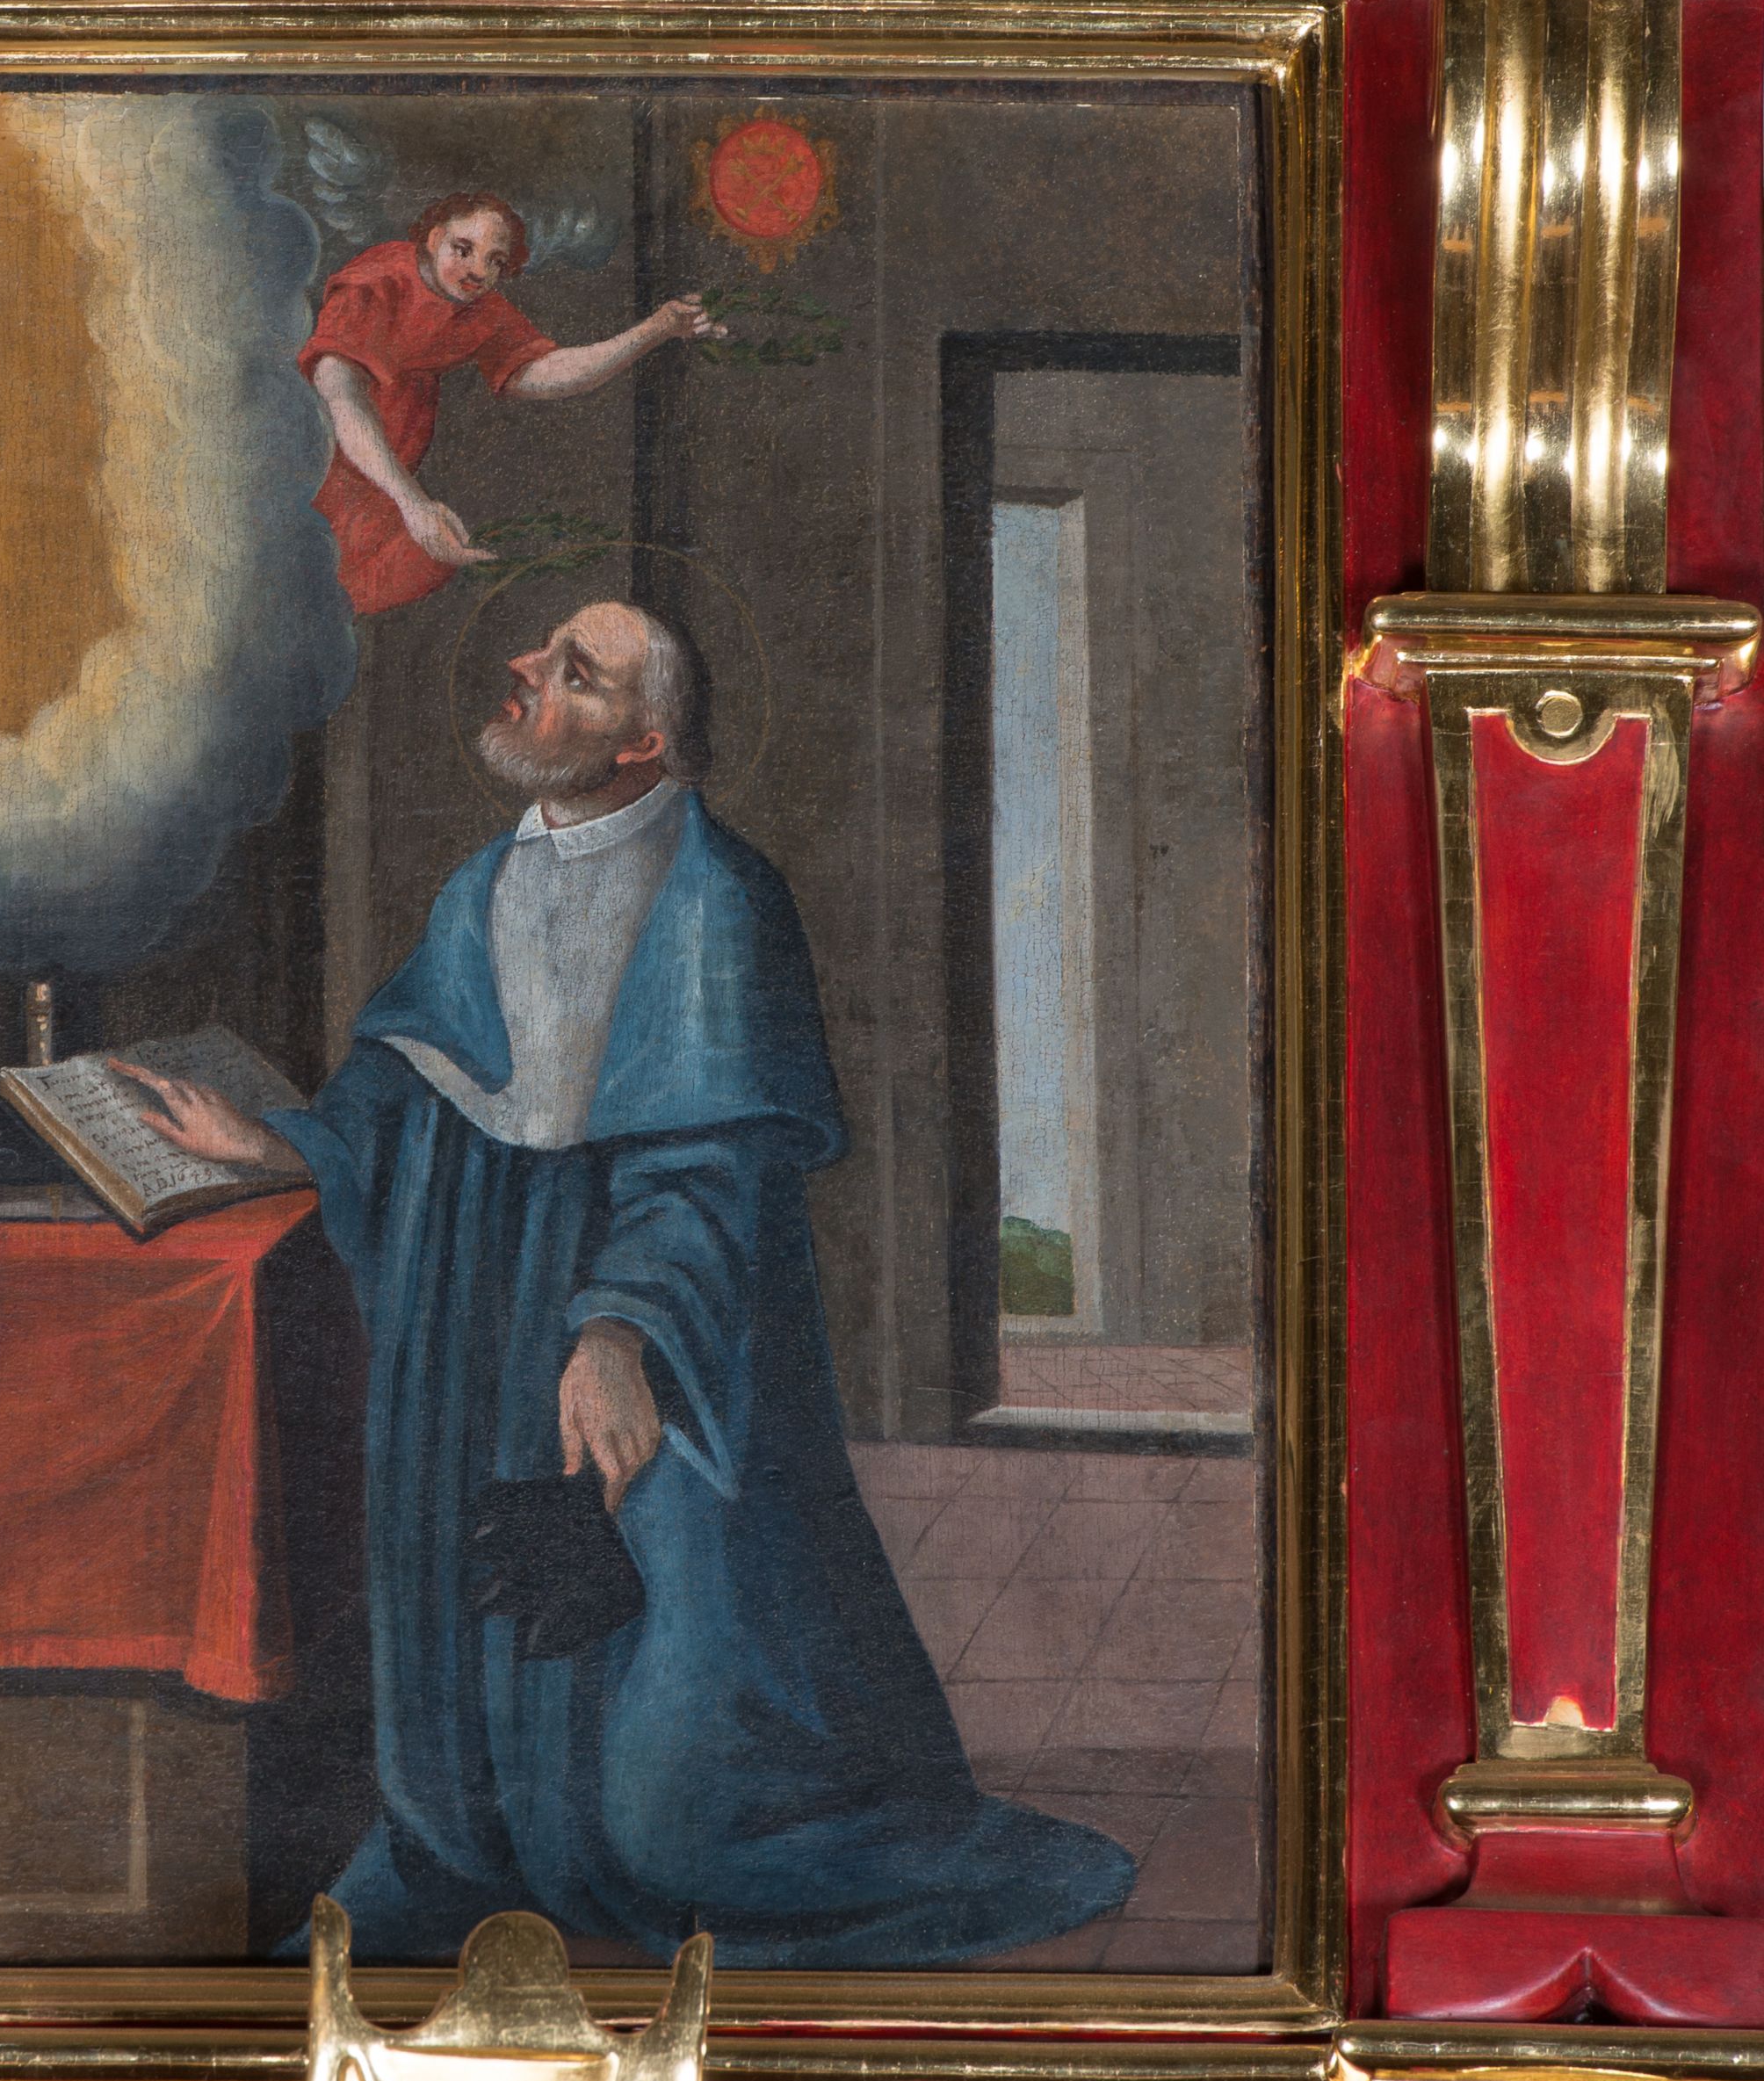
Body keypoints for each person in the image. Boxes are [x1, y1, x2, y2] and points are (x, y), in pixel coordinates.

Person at [123, 601, 1138, 1968]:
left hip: (663, 1316)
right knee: (470, 1654)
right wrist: (278, 1145)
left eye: (573, 673)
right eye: (541, 656)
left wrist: (617, 1334)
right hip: (476, 1298)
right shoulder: (480, 885)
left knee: (673, 1772)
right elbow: (399, 1098)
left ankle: (675, 1845)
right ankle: (476, 1846)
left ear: (643, 741)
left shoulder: (720, 902)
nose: (524, 672)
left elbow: (708, 1166)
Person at [300, 196, 726, 617]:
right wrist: (412, 502)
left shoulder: (478, 309)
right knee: (307, 566)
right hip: (323, 446)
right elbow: (340, 394)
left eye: (495, 261)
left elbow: (547, 370)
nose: (478, 271)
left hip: (393, 451)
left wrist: (655, 330)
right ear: (433, 238)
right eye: (463, 249)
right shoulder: (378, 281)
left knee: (371, 580)